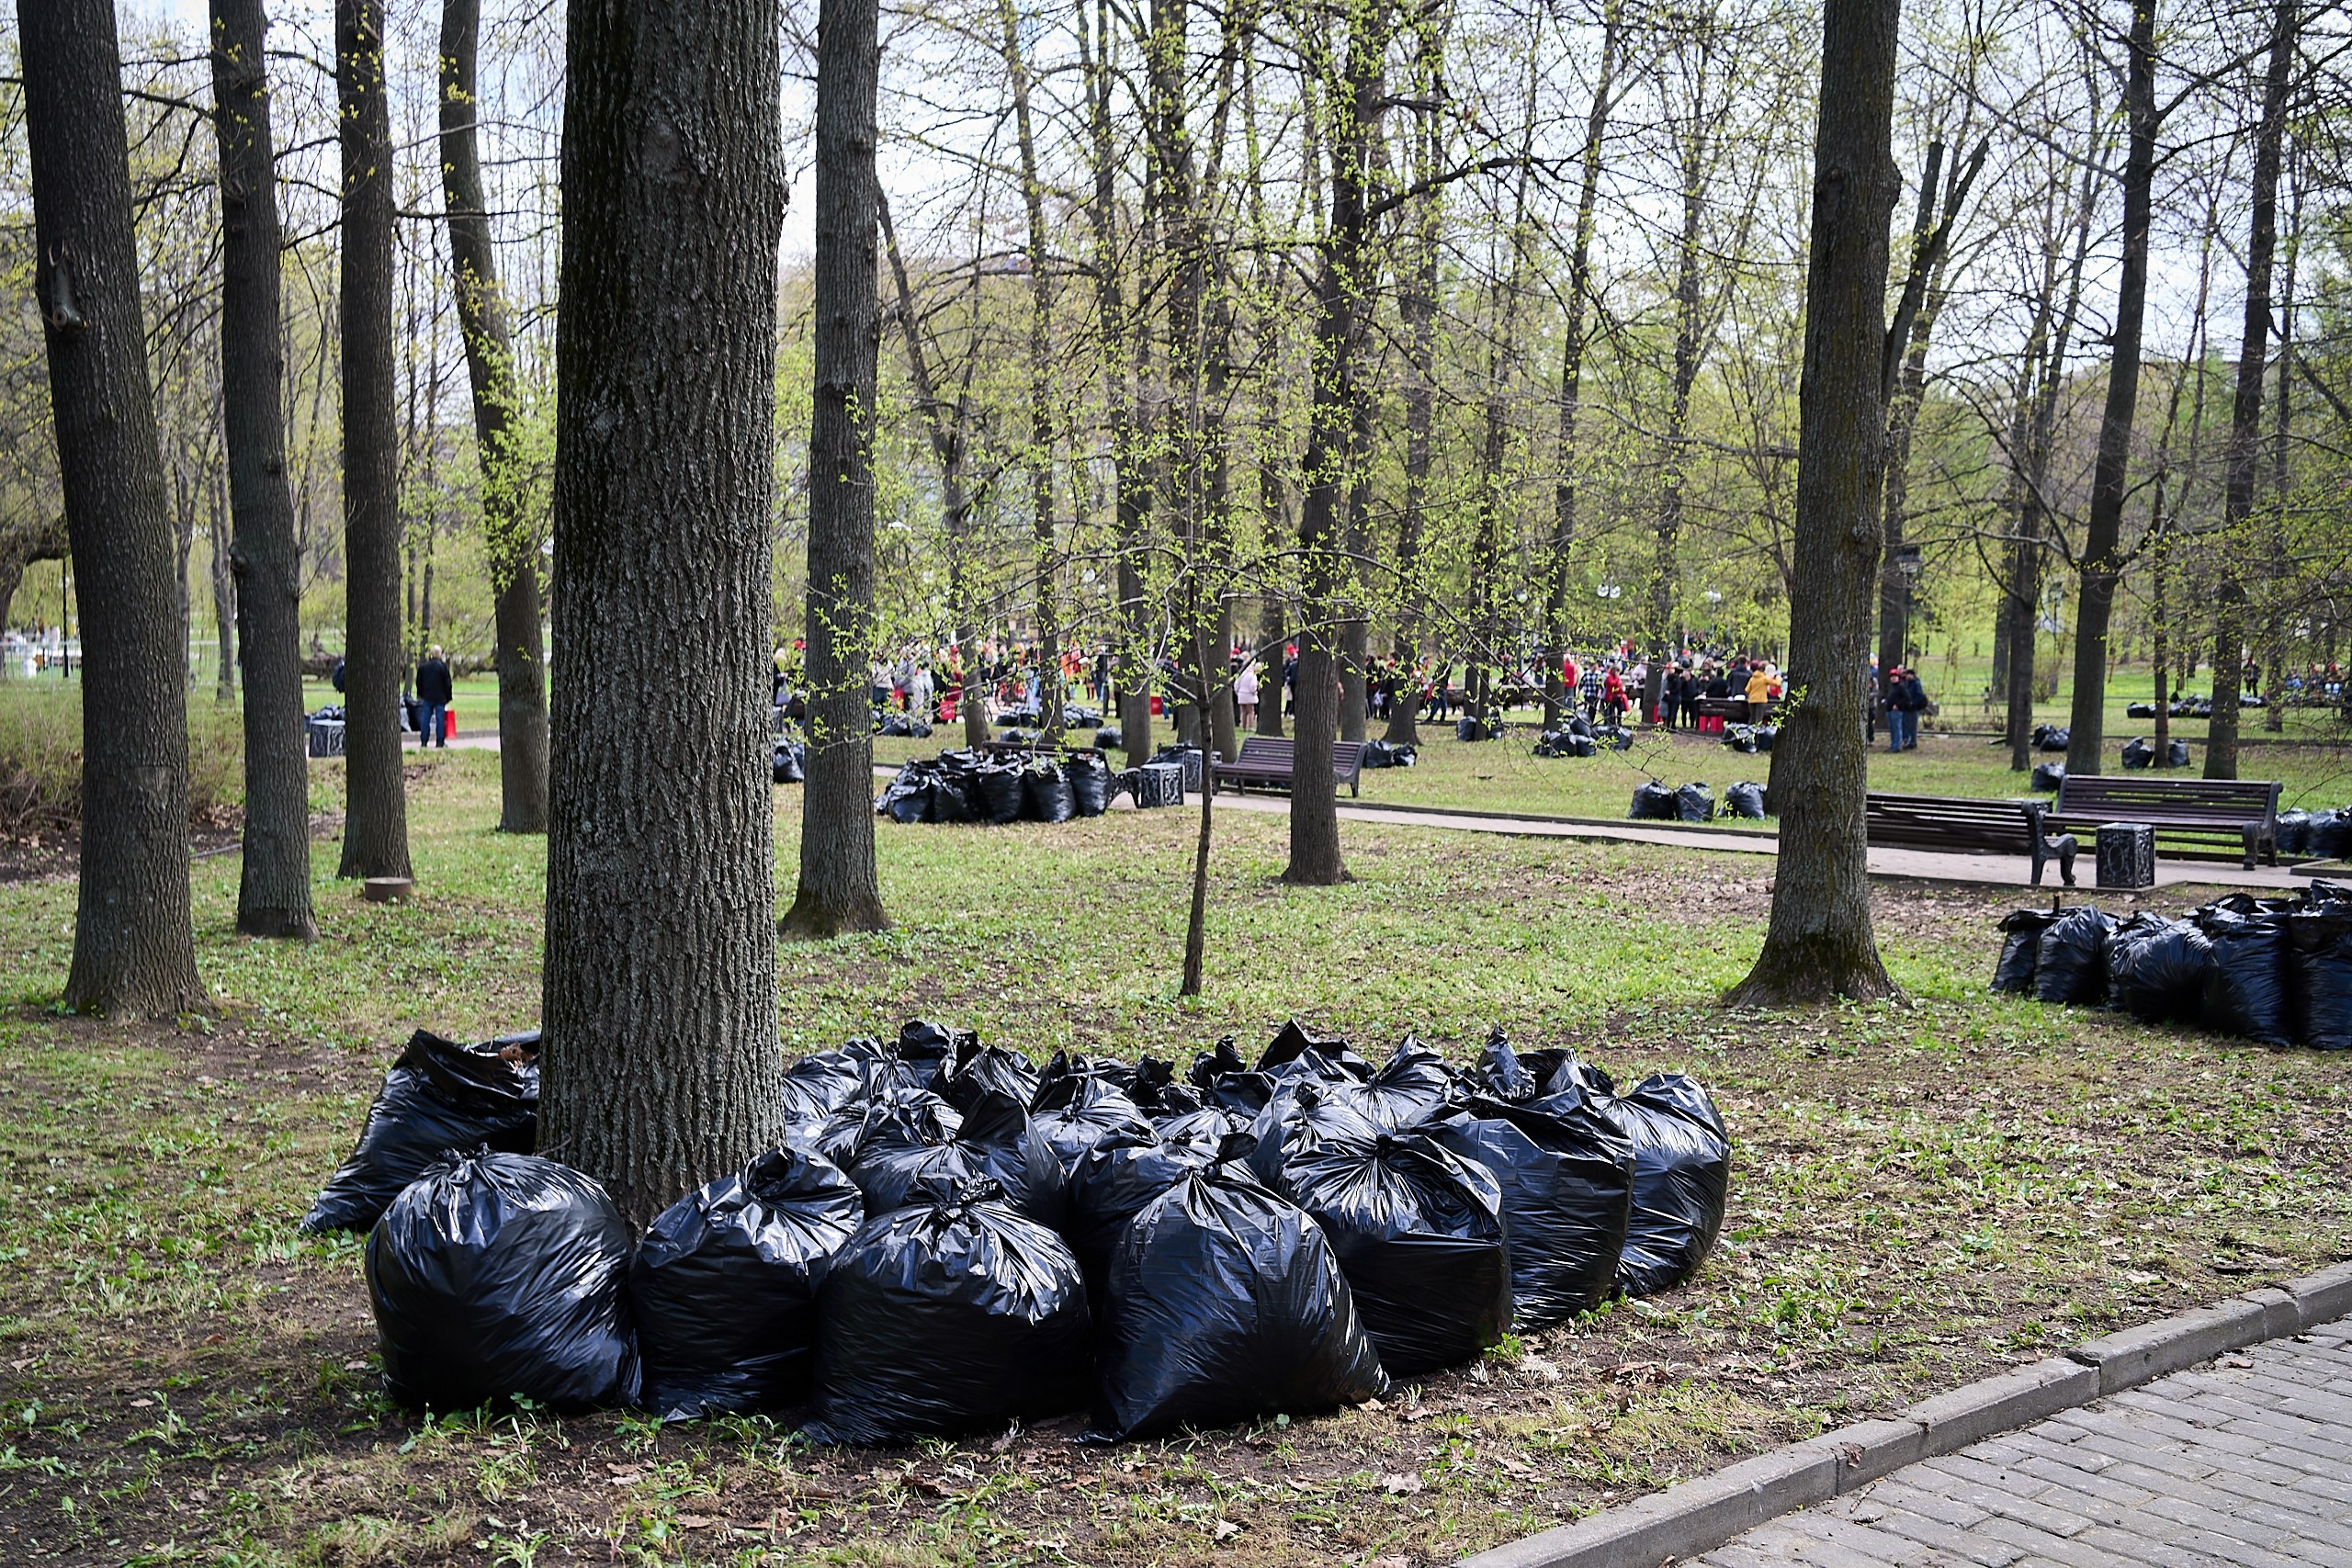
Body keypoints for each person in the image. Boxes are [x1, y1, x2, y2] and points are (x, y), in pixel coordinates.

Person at [416, 645, 453, 749]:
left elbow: (419, 682)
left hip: (427, 696)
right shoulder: (443, 667)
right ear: (439, 654)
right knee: (440, 720)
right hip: (440, 698)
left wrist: (421, 694)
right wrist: (448, 697)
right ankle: (440, 742)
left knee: (425, 719)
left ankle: (424, 741)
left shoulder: (424, 667)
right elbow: (447, 683)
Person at [1234, 658, 1260, 729]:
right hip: (1249, 695)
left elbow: (1236, 684)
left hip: (1241, 695)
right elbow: (1252, 686)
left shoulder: (1241, 675)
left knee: (1243, 712)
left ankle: (1243, 726)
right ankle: (1251, 726)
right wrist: (1254, 692)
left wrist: (1238, 692)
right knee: (1251, 711)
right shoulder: (1252, 676)